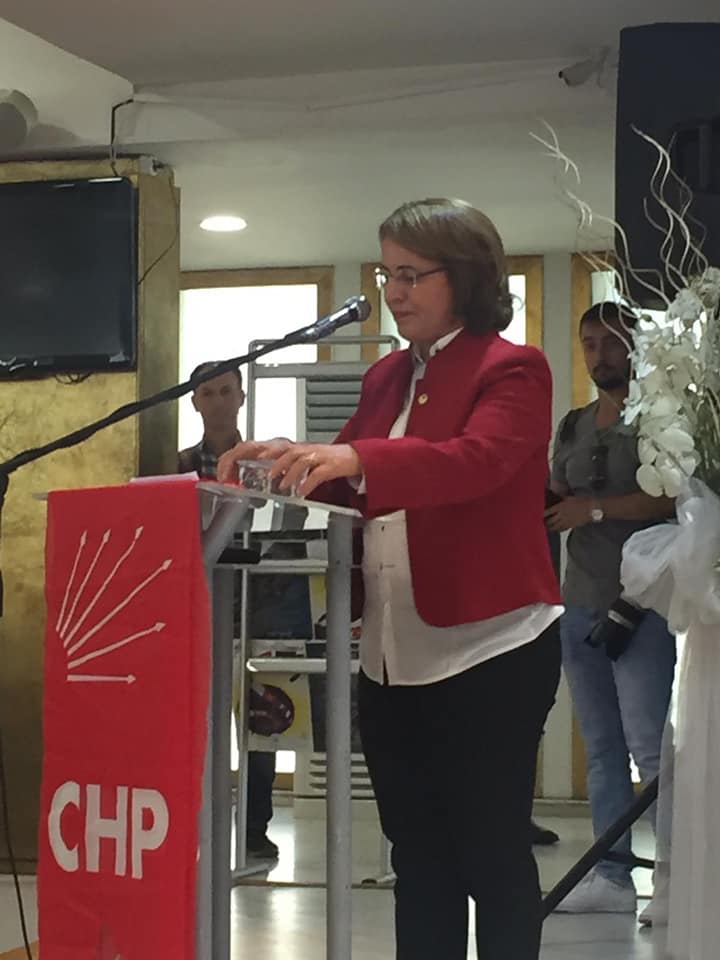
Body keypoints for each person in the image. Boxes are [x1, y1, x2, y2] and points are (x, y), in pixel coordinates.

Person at [218, 197, 563, 960]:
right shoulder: (385, 377)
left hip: (490, 646)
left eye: (411, 275)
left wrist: (355, 459)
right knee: (419, 858)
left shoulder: (513, 367)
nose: (394, 292)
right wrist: (283, 461)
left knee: (492, 854)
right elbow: (346, 481)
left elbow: (475, 462)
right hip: (391, 653)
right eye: (387, 275)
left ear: (465, 276)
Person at [546, 302, 676, 918]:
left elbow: (670, 499)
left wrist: (595, 510)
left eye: (612, 341)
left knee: (650, 748)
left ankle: (675, 878)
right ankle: (612, 876)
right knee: (601, 747)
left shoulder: (660, 418)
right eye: (590, 343)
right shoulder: (573, 425)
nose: (601, 354)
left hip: (642, 603)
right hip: (579, 601)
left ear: (635, 345)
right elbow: (557, 496)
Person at [178, 361, 279, 861]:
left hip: (257, 610)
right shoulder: (175, 465)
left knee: (260, 726)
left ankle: (255, 830)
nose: (218, 402)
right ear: (194, 402)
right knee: (196, 726)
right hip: (195, 610)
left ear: (241, 397)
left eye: (225, 391)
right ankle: (194, 826)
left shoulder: (266, 464)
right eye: (207, 393)